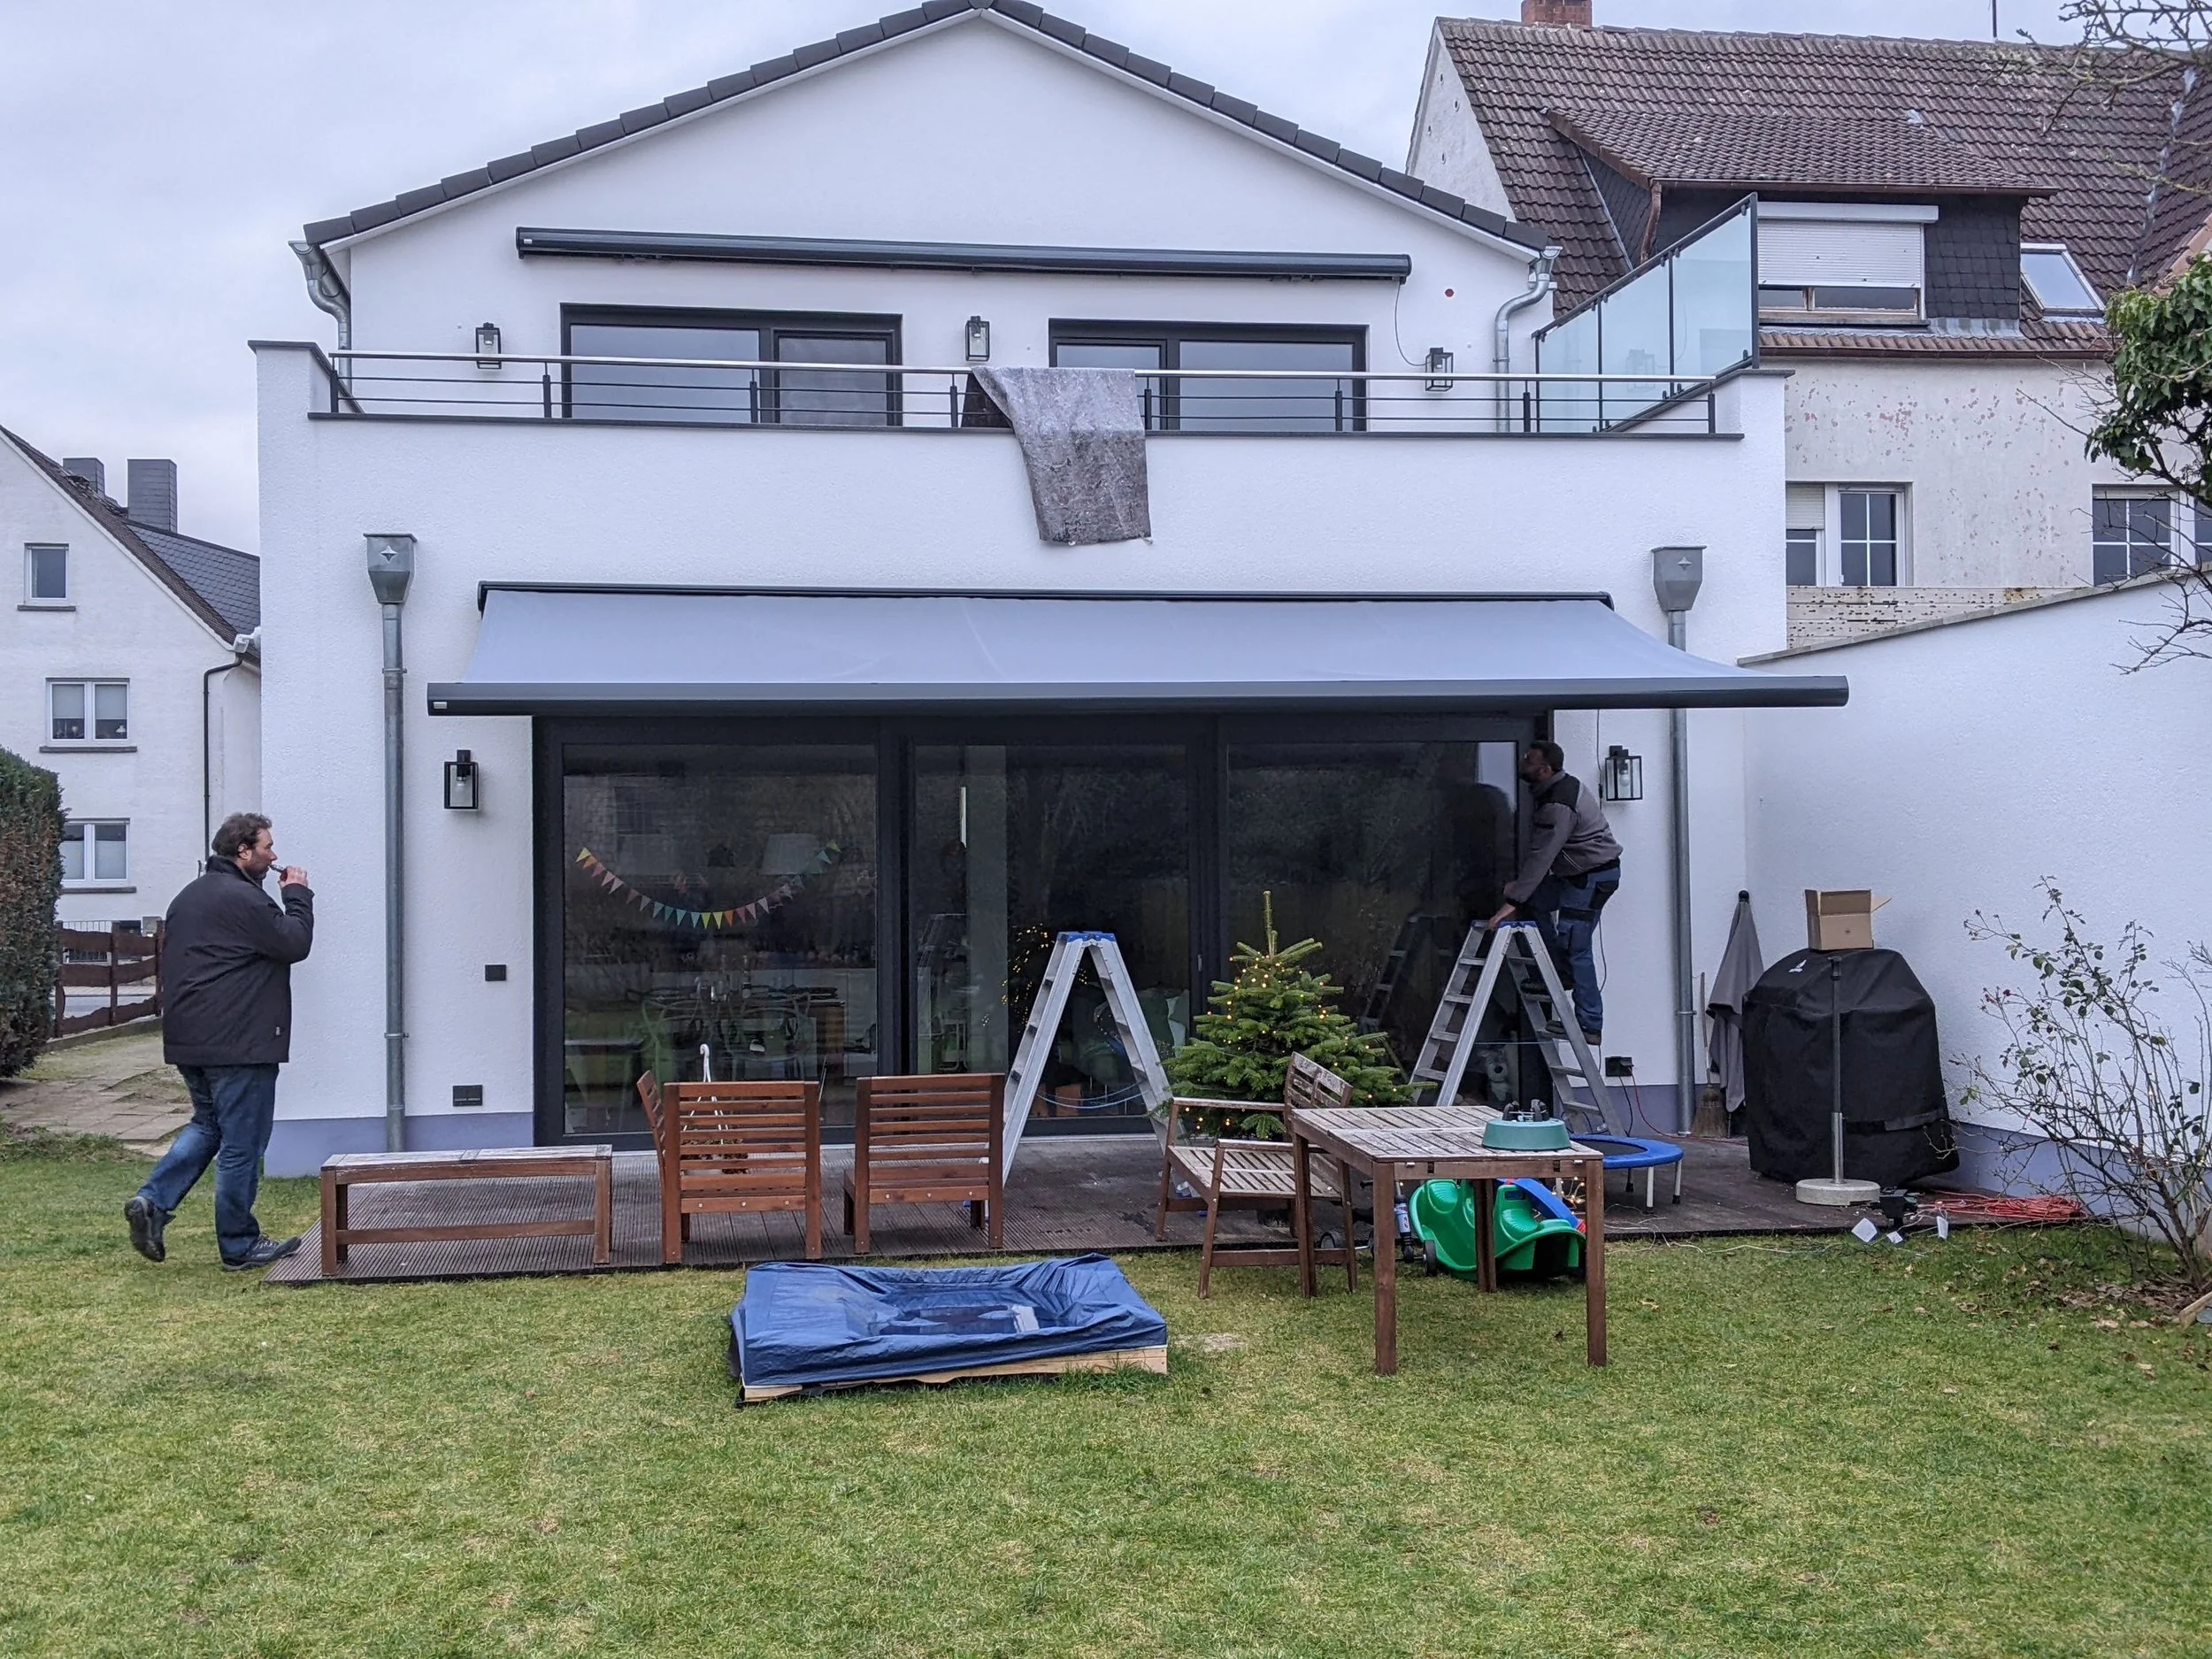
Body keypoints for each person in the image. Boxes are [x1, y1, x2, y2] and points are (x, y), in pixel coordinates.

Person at [124, 812, 314, 1270]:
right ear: (243, 851)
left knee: (207, 1126)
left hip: (191, 1039)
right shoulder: (244, 900)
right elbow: (293, 943)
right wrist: (297, 896)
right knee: (242, 1144)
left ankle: (152, 1202)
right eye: (267, 847)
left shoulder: (189, 897)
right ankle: (239, 1245)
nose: (274, 855)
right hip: (240, 1042)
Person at [1488, 740, 1622, 1044]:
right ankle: (1559, 974)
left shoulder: (1558, 804)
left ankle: (1589, 1025)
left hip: (1590, 878)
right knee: (1535, 901)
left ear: (1545, 769)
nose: (1523, 762)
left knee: (1577, 945)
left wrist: (1511, 901)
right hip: (1578, 875)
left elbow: (1542, 855)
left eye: (1529, 760)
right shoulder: (1554, 791)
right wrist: (1521, 895)